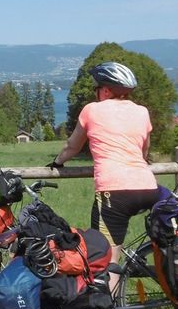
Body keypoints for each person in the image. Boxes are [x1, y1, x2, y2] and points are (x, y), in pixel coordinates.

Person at [48, 61, 161, 291]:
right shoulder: (142, 112)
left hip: (114, 191)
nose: (96, 93)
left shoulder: (92, 110)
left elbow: (73, 146)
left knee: (106, 257)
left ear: (106, 90)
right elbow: (144, 150)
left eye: (97, 88)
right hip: (148, 187)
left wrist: (58, 162)